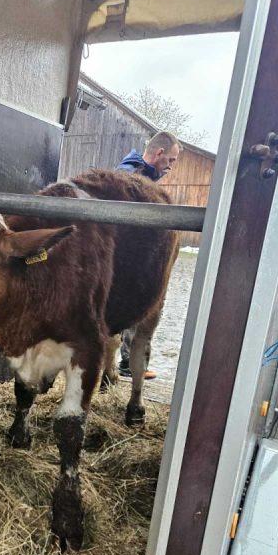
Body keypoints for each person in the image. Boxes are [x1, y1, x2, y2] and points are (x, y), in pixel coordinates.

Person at [115, 131, 182, 379]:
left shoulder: (142, 173)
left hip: (129, 254)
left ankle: (124, 364)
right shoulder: (131, 174)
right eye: (171, 160)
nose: (171, 167)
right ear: (159, 153)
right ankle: (127, 364)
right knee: (140, 305)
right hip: (125, 256)